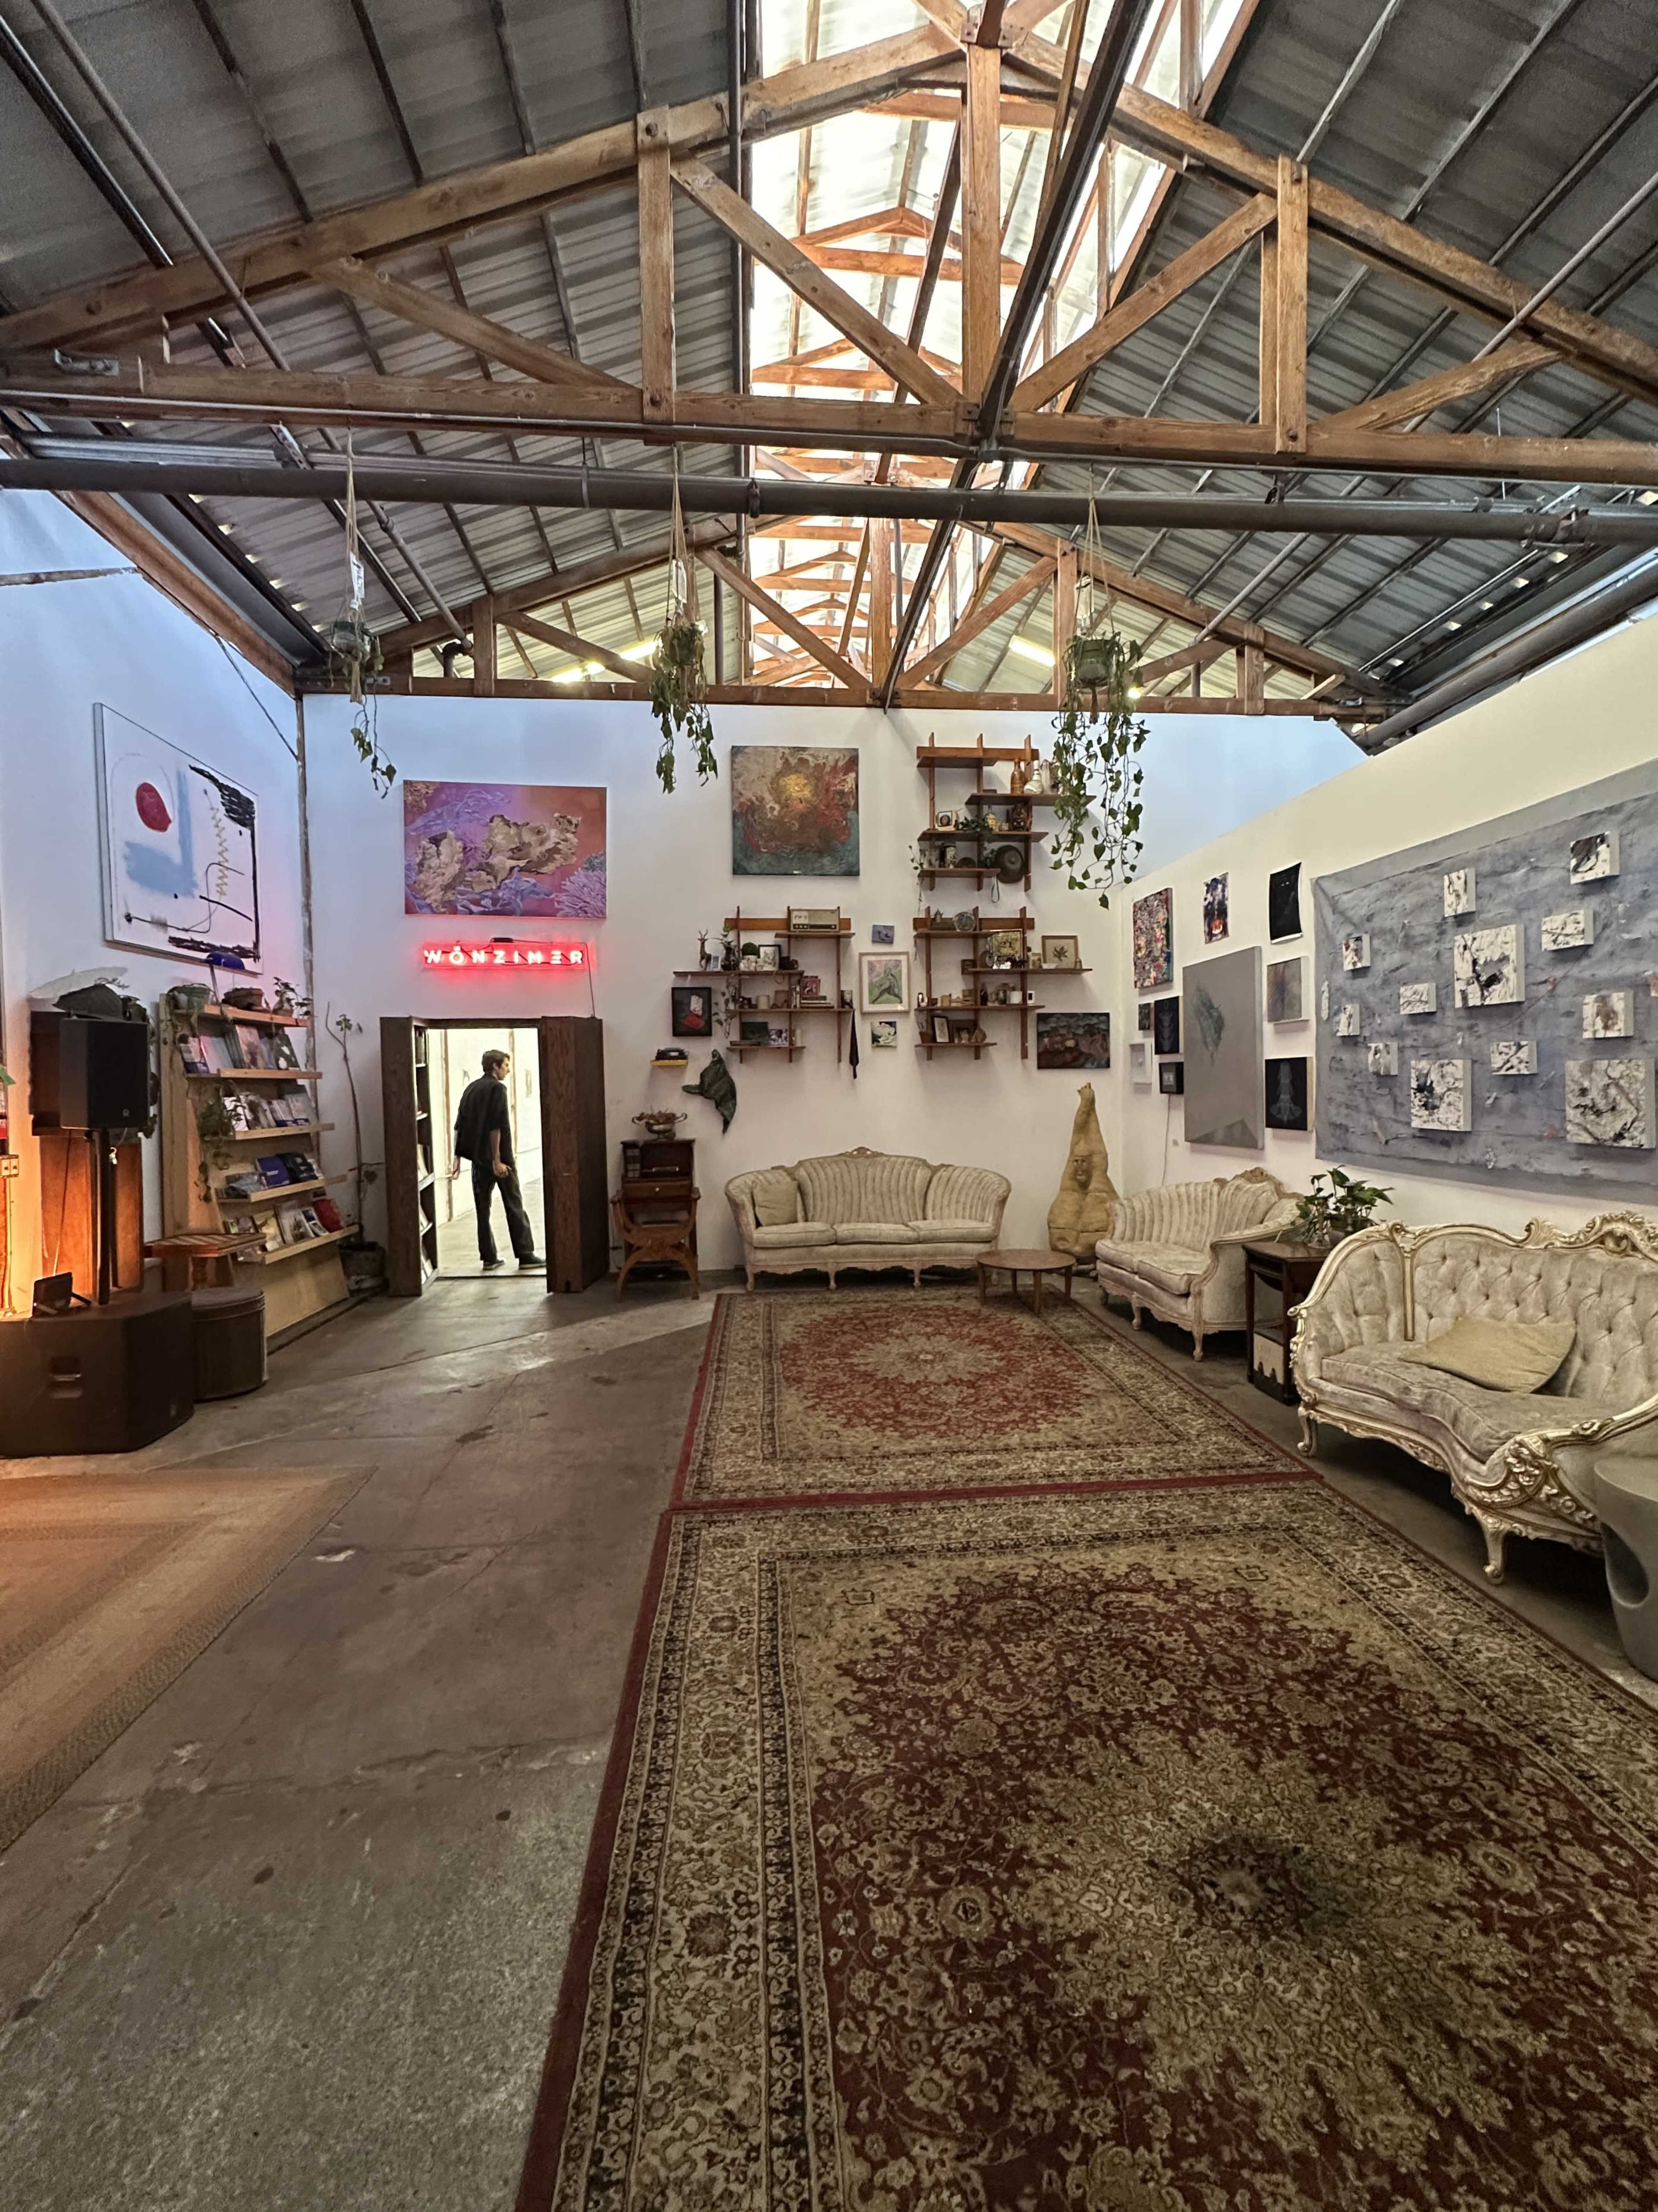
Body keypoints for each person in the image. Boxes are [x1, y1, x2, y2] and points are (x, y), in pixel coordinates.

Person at [451, 1049, 543, 1272]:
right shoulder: (497, 1089)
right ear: (495, 1066)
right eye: (506, 1066)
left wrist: (457, 1158)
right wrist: (497, 1160)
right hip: (499, 1160)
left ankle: (489, 1258)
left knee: (482, 1210)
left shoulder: (471, 1089)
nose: (508, 1071)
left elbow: (460, 1125)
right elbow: (496, 1126)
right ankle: (526, 1254)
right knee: (514, 1204)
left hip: (477, 1161)